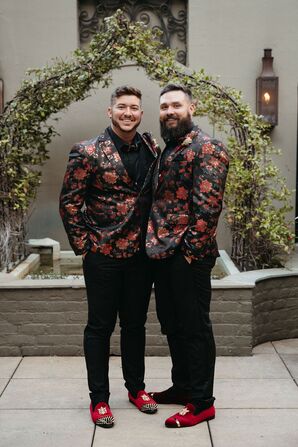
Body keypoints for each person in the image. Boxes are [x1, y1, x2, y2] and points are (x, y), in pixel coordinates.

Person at [59, 86, 160, 428]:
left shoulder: (150, 147)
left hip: (140, 257)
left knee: (134, 325)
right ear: (110, 111)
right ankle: (99, 400)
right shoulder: (86, 151)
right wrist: (84, 246)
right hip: (101, 255)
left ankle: (136, 389)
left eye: (134, 107)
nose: (128, 112)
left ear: (141, 114)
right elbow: (69, 203)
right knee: (100, 327)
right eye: (122, 107)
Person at [146, 84, 229, 428]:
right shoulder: (168, 149)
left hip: (187, 257)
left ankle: (202, 402)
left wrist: (189, 256)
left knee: (194, 327)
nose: (169, 111)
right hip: (163, 254)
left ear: (191, 107)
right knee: (173, 326)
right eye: (164, 106)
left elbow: (208, 210)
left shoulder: (208, 147)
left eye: (176, 105)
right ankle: (183, 387)